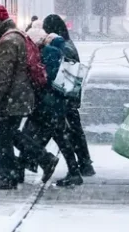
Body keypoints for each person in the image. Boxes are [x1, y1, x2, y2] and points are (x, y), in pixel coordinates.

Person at [0, 6, 58, 190]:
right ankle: (39, 162)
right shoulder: (17, 36)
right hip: (21, 94)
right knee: (11, 134)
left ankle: (9, 176)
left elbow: (4, 77)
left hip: (14, 97)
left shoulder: (7, 41)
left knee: (1, 137)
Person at [23, 27, 84, 187]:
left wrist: (36, 81)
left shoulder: (48, 52)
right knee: (59, 136)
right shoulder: (51, 51)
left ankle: (38, 162)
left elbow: (47, 78)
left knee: (40, 135)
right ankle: (70, 170)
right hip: (53, 103)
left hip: (50, 103)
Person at [42, 14, 95, 176]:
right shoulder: (68, 44)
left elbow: (59, 72)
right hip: (71, 94)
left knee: (63, 131)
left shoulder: (60, 47)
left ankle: (80, 166)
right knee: (74, 131)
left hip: (64, 95)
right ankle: (85, 163)